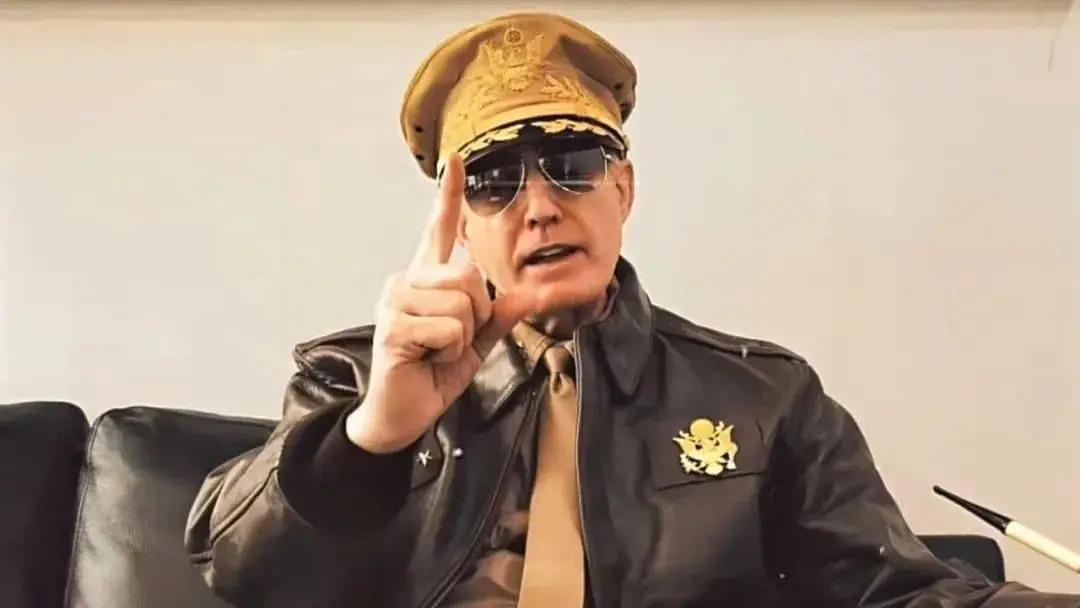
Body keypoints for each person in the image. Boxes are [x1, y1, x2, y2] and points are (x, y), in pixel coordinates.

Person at [185, 12, 1079, 608]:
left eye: (573, 164)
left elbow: (896, 594)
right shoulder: (353, 380)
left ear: (624, 189)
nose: (541, 207)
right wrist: (372, 437)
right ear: (460, 224)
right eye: (494, 181)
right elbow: (241, 574)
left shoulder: (764, 398)